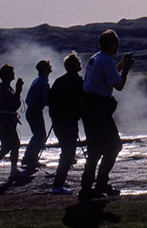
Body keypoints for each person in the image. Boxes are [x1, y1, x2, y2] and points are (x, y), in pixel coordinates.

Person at [80, 30, 134, 201]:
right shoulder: (105, 60)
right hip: (99, 109)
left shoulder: (97, 58)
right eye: (117, 43)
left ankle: (88, 185)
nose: (118, 45)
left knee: (95, 148)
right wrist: (125, 70)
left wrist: (119, 65)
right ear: (111, 44)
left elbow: (107, 76)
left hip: (90, 107)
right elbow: (118, 85)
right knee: (114, 145)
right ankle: (99, 182)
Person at [48, 52, 84, 195]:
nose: (80, 64)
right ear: (75, 66)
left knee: (66, 151)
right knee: (68, 153)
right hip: (69, 121)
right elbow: (82, 99)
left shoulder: (58, 81)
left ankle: (59, 183)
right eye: (78, 62)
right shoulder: (77, 81)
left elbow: (49, 100)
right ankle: (57, 185)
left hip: (58, 121)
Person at [21, 59, 52, 170]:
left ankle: (29, 158)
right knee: (40, 135)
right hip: (35, 111)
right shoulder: (43, 82)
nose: (51, 68)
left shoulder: (38, 80)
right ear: (45, 69)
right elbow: (45, 100)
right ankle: (31, 159)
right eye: (49, 66)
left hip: (33, 111)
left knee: (38, 135)